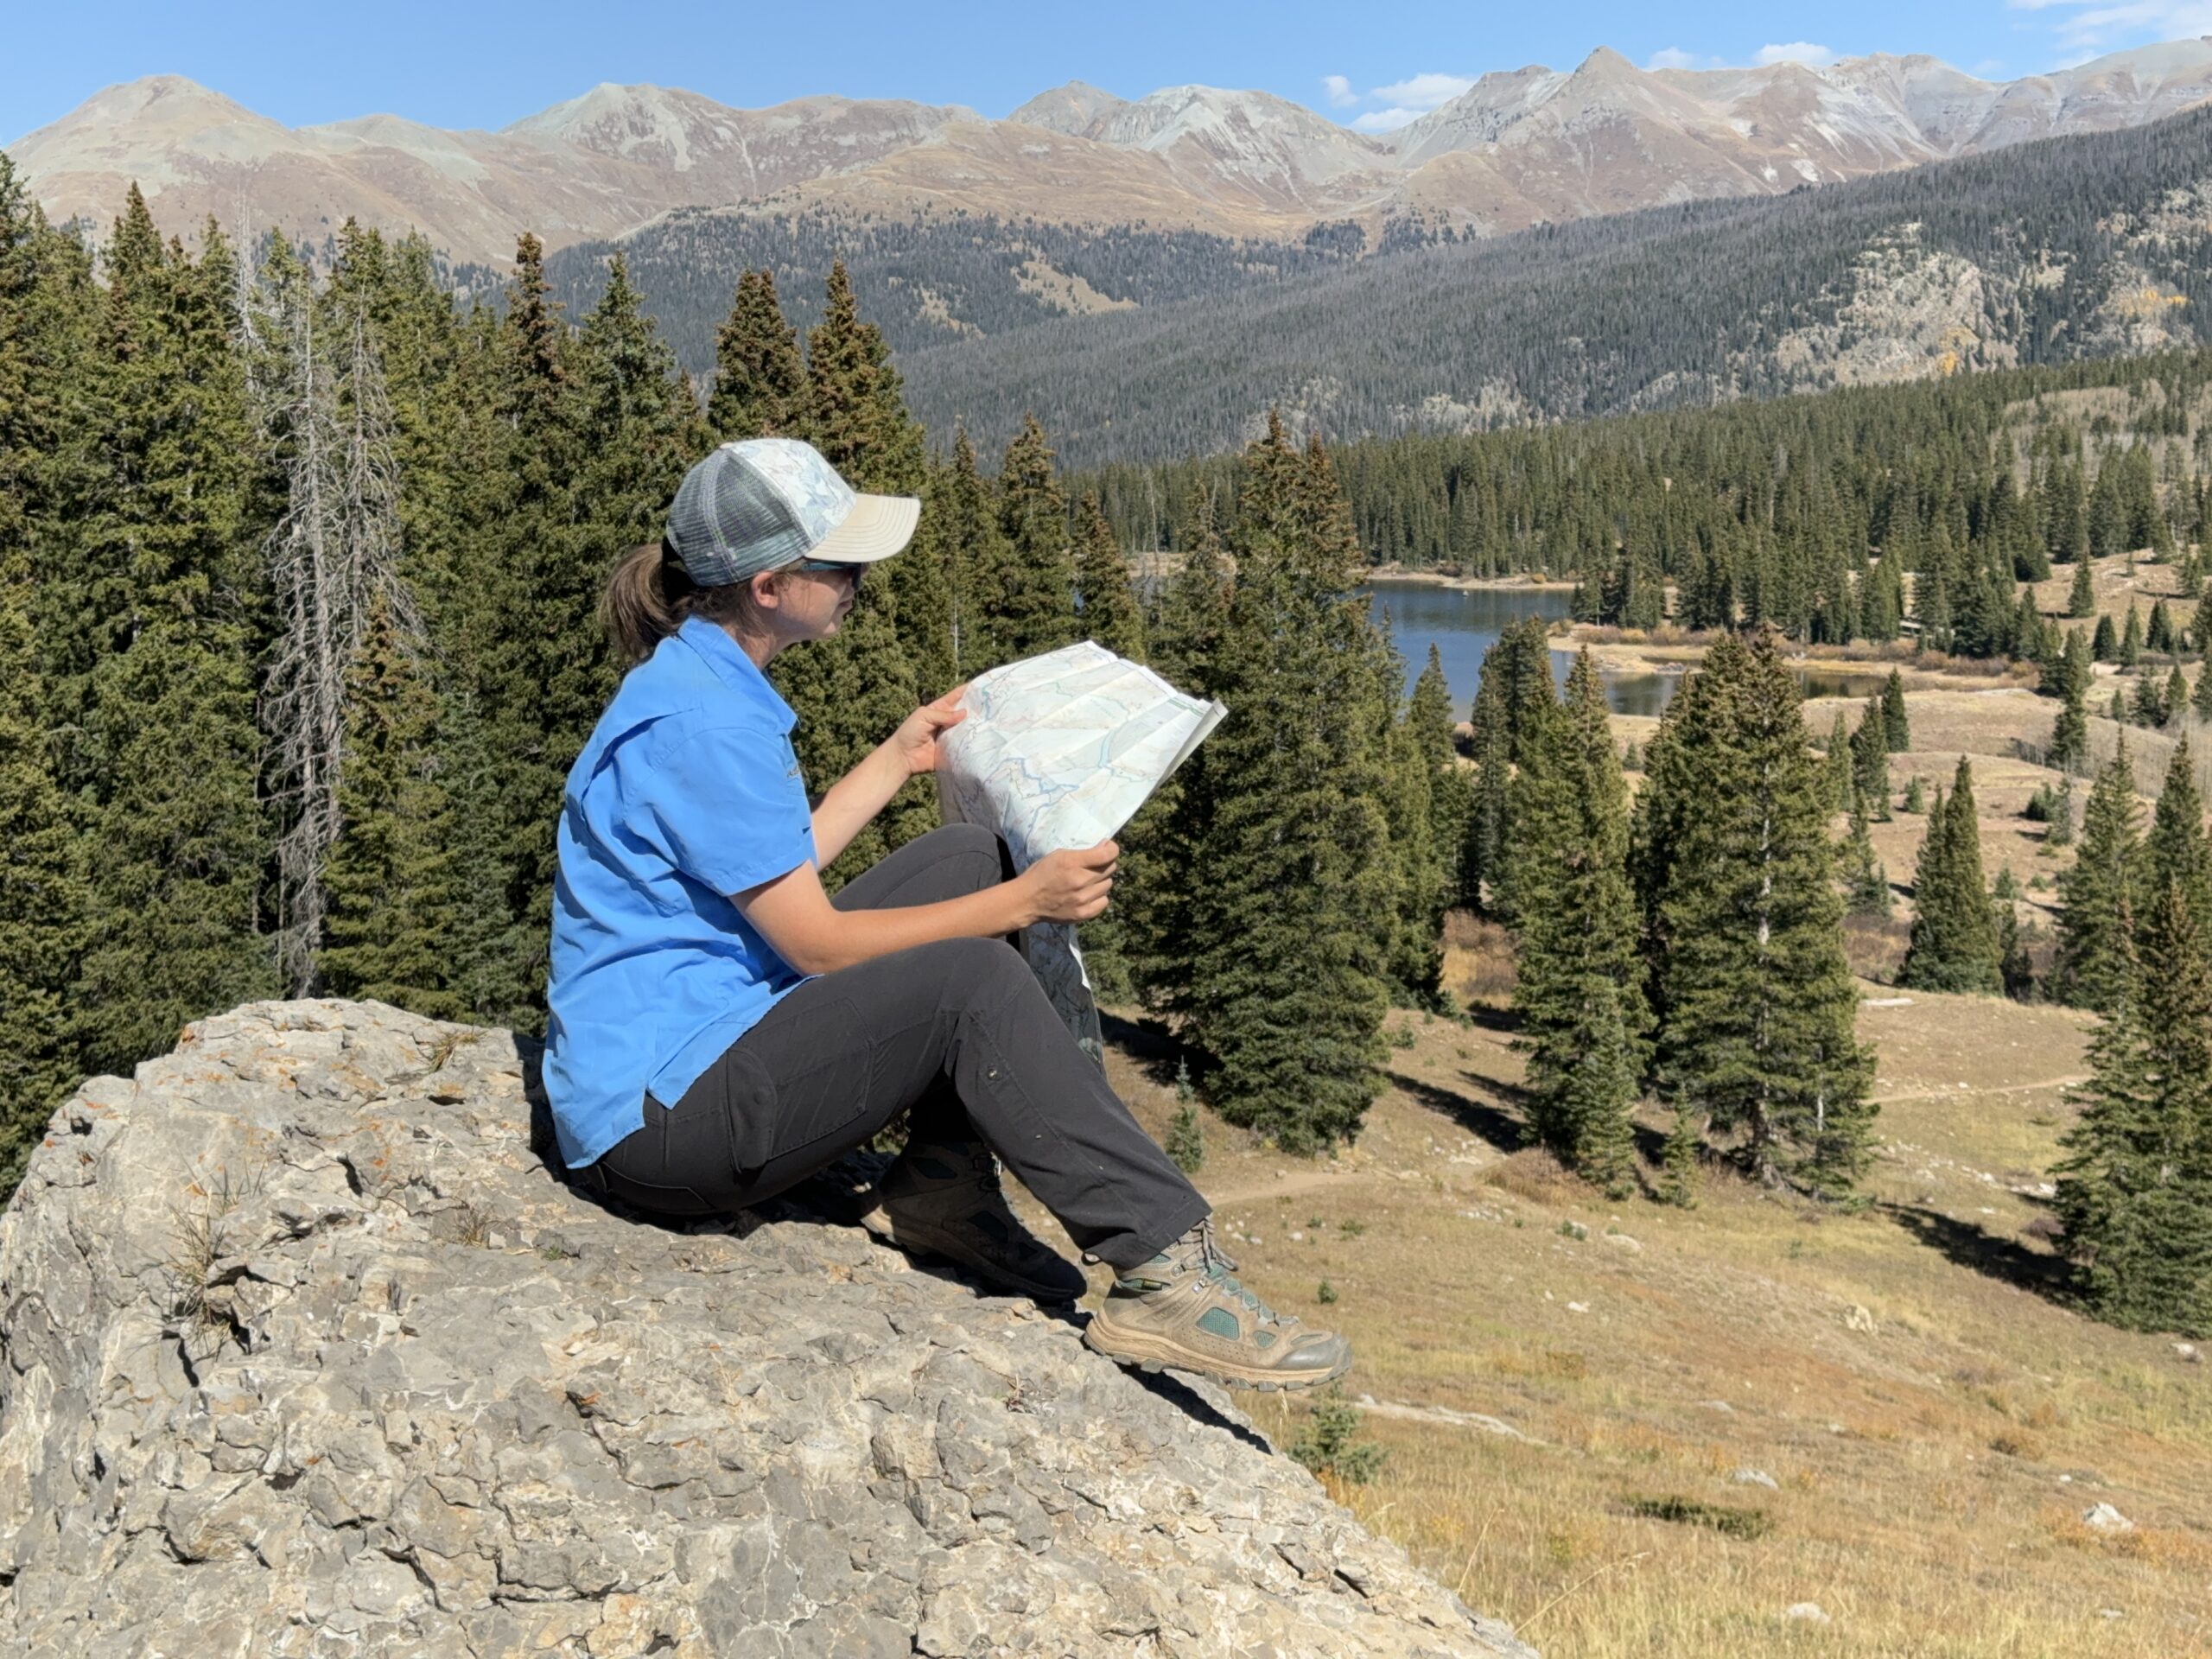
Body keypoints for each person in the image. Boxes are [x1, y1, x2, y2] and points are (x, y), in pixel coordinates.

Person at [543, 438, 1351, 1393]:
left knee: (967, 856)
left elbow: (765, 868)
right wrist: (1024, 903)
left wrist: (895, 756)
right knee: (970, 973)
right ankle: (1162, 1267)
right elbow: (812, 940)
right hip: (659, 1129)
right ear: (768, 586)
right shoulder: (708, 723)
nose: (860, 582)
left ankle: (940, 1188)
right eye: (840, 566)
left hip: (697, 1040)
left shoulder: (698, 679)